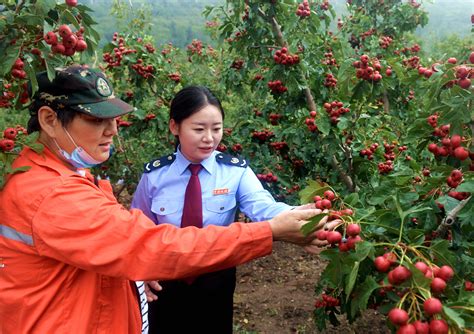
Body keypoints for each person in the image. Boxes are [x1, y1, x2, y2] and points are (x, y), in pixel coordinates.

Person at [0, 65, 334, 334]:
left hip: (206, 279)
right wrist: (270, 232)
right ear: (49, 119)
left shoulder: (60, 173)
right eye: (96, 119)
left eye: (114, 119)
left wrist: (295, 218)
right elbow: (145, 240)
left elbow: (262, 206)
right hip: (156, 281)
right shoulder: (55, 193)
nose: (113, 130)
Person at [131, 86, 325, 333]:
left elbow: (263, 207)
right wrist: (142, 271)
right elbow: (138, 228)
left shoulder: (235, 172)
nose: (209, 138)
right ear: (174, 127)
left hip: (216, 279)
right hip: (165, 281)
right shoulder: (155, 176)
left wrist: (303, 215)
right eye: (199, 129)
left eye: (216, 128)